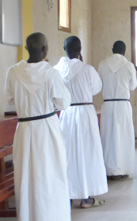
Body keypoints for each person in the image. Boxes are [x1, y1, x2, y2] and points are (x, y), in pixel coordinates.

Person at [5, 32, 71, 221]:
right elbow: (64, 103)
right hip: (47, 129)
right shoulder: (51, 73)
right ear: (45, 49)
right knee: (49, 175)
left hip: (25, 129)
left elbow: (9, 100)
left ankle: (28, 216)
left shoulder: (13, 71)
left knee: (26, 176)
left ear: (26, 49)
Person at [53, 36, 108, 208]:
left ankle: (67, 196)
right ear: (80, 49)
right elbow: (96, 88)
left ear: (65, 49)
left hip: (67, 113)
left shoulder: (56, 70)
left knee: (67, 154)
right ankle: (86, 197)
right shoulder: (87, 69)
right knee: (87, 154)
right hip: (84, 113)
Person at [98, 41, 137, 180]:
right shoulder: (129, 65)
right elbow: (133, 86)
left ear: (112, 50)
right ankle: (123, 168)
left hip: (108, 105)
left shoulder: (103, 64)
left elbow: (99, 84)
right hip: (122, 105)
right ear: (124, 51)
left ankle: (109, 170)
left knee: (108, 137)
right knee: (123, 137)